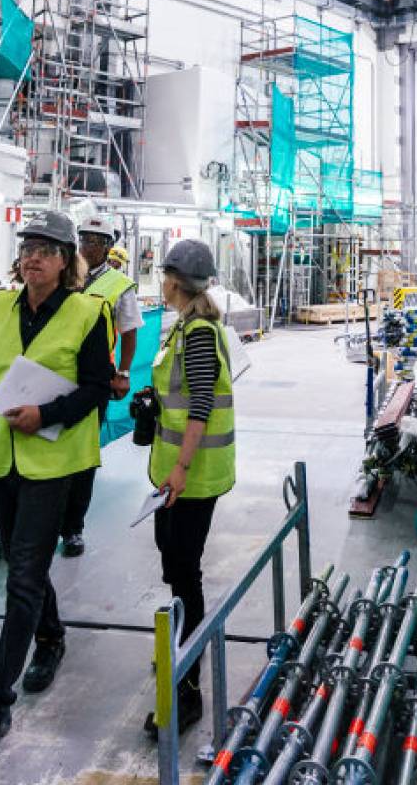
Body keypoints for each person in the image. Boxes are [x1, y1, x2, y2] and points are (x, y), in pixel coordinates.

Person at [0, 211, 113, 768]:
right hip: (1, 458)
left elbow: (98, 388)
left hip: (51, 462)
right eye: (27, 248)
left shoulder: (88, 313)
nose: (33, 258)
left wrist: (46, 411)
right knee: (27, 567)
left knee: (21, 575)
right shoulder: (0, 306)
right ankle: (50, 638)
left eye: (46, 249)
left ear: (67, 260)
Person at [139, 239, 236, 736]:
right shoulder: (189, 327)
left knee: (184, 571)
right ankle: (181, 648)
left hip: (191, 477)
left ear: (175, 281)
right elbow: (183, 396)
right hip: (178, 472)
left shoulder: (197, 332)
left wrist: (179, 469)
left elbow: (200, 405)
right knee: (172, 559)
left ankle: (188, 687)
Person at [55, 213, 143, 558]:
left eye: (95, 241)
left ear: (108, 247)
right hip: (57, 372)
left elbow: (130, 332)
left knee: (83, 454)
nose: (87, 246)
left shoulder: (118, 285)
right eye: (83, 239)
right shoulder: (65, 276)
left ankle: (73, 528)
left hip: (95, 378)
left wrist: (123, 373)